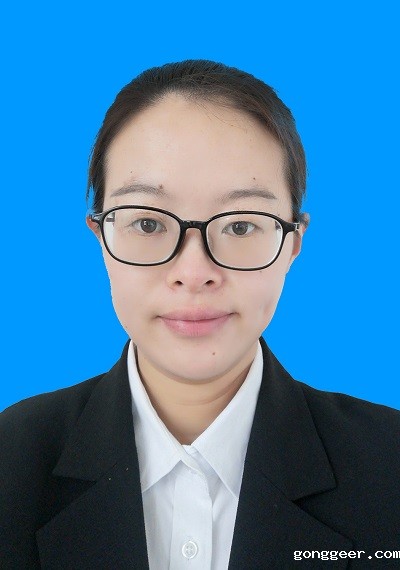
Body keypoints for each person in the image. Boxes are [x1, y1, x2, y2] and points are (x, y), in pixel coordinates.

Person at [1, 60, 399, 570]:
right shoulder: (11, 462)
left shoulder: (389, 465)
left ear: (293, 243)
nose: (194, 273)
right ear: (100, 236)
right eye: (148, 223)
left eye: (240, 226)